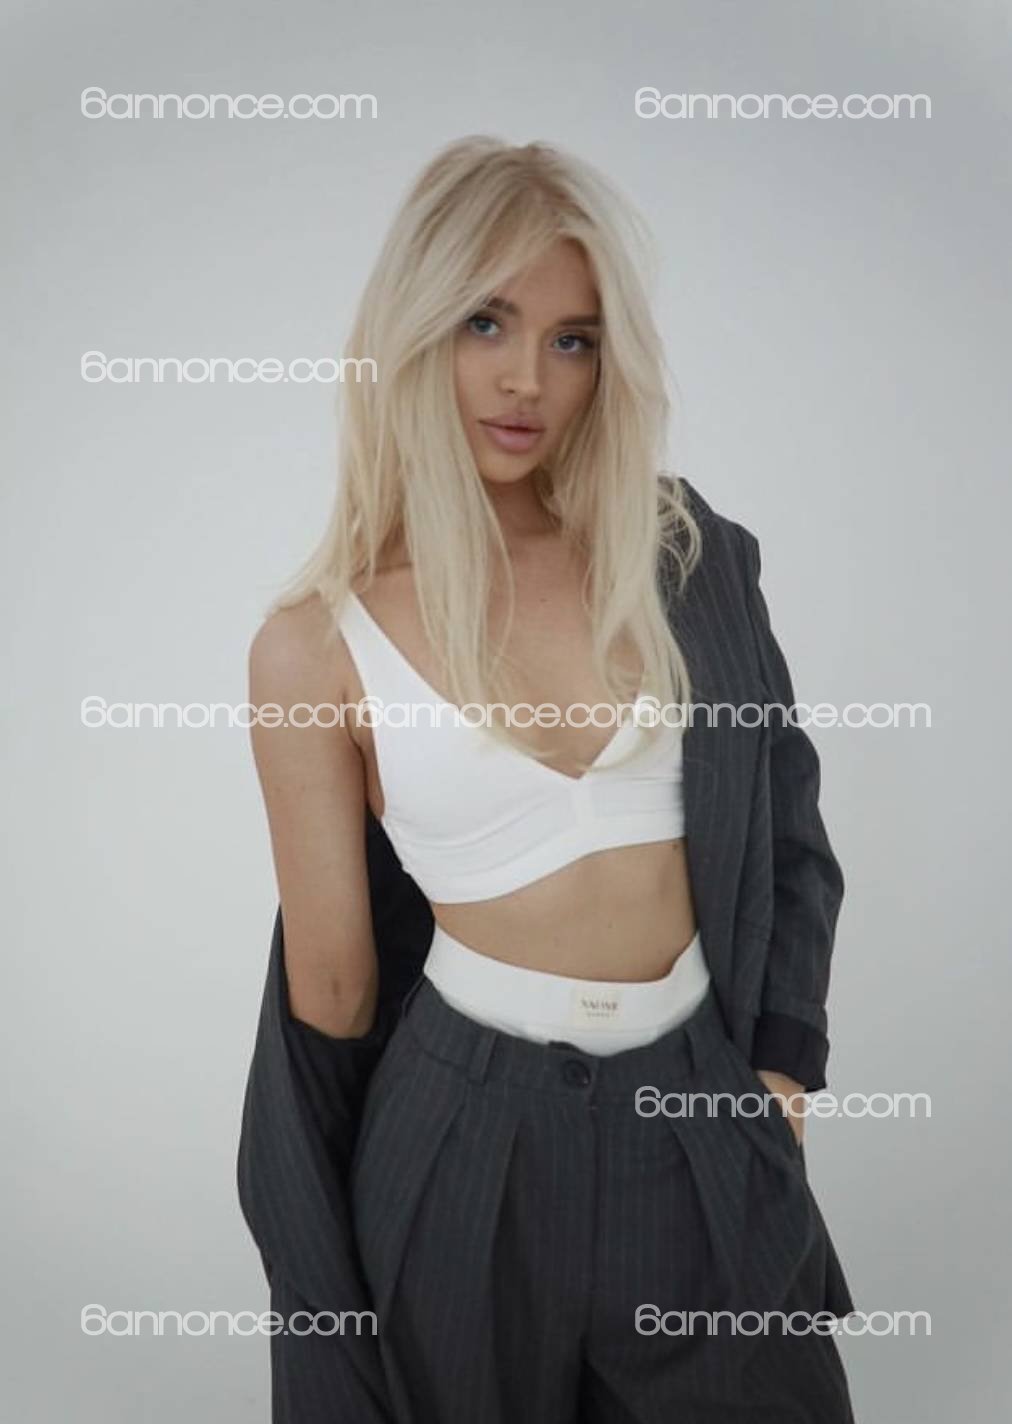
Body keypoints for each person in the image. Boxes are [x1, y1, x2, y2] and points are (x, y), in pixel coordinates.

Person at [237, 135, 857, 1423]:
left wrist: (782, 1069)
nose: (528, 379)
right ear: (414, 328)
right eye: (487, 322)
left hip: (699, 1111)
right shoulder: (314, 645)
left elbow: (787, 824)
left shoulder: (683, 555)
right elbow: (332, 994)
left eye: (572, 340)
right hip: (463, 1139)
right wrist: (328, 1301)